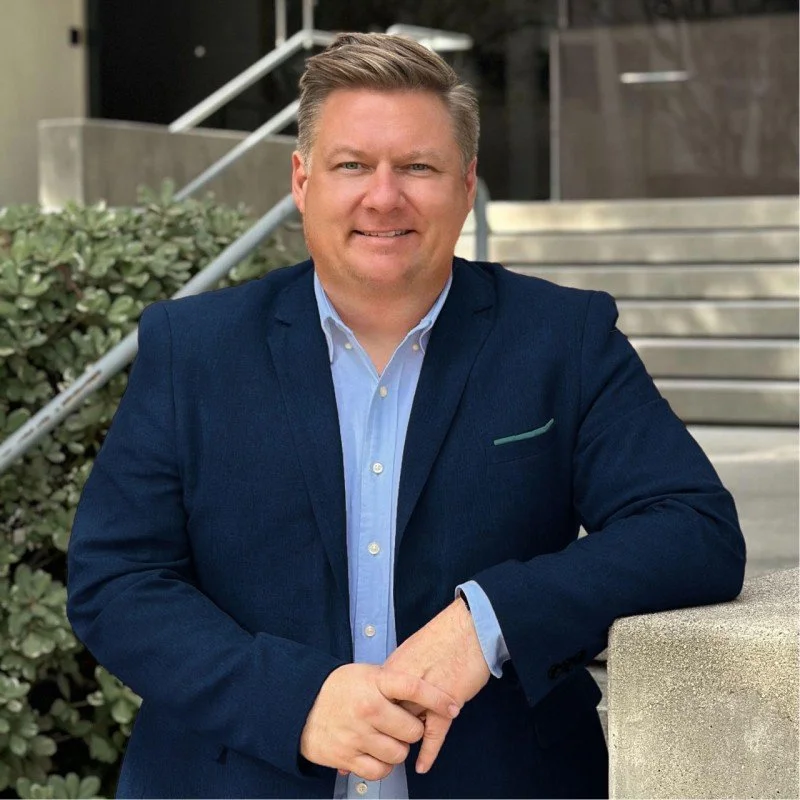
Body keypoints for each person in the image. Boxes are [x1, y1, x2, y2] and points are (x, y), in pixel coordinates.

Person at [66, 32, 746, 800]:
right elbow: (116, 579)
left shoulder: (564, 339)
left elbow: (694, 529)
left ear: (466, 183)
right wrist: (293, 702)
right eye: (352, 164)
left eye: (417, 167)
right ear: (302, 180)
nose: (383, 197)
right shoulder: (193, 348)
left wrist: (488, 623)